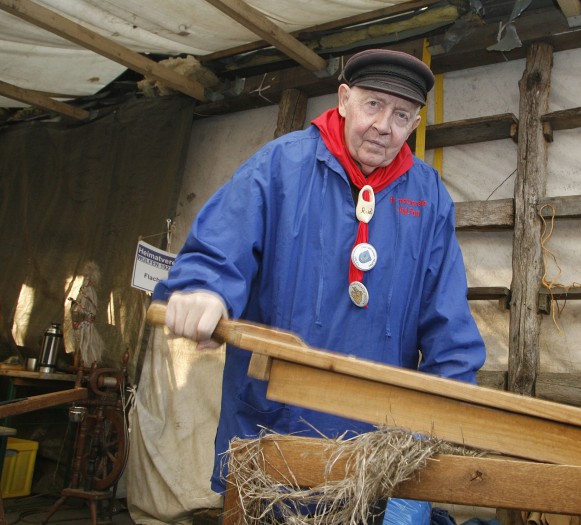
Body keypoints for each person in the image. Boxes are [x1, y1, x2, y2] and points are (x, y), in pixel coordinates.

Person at [153, 48, 486, 524]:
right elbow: (221, 246)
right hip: (273, 427)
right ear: (344, 99)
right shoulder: (280, 165)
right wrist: (204, 289)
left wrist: (449, 405)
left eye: (401, 115)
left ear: (414, 124)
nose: (384, 127)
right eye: (373, 105)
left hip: (377, 444)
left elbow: (447, 317)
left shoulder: (428, 195)